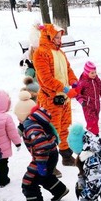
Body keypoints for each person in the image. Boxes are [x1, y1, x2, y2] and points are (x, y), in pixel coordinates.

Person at [32, 23, 79, 166]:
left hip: (64, 99)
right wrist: (64, 89)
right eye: (57, 37)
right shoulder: (40, 53)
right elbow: (46, 79)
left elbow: (68, 69)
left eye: (60, 37)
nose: (60, 40)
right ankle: (48, 164)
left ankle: (66, 156)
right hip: (50, 99)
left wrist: (74, 82)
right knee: (52, 131)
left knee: (65, 127)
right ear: (49, 36)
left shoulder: (60, 52)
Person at [19, 106, 70, 201]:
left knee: (29, 181)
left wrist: (41, 164)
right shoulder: (37, 123)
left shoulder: (31, 128)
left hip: (43, 157)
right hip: (51, 154)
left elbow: (41, 146)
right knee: (44, 176)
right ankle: (60, 190)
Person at [74, 61, 101, 136]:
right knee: (91, 122)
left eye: (95, 72)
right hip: (87, 106)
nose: (94, 74)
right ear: (87, 72)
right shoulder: (83, 81)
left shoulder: (97, 79)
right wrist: (81, 100)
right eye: (92, 73)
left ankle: (91, 135)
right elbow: (76, 93)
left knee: (95, 121)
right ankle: (94, 136)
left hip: (97, 106)